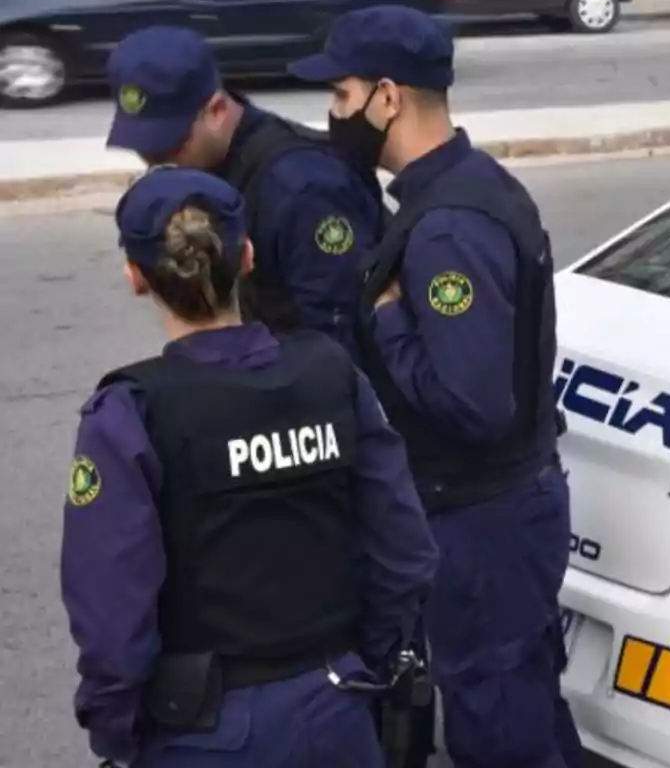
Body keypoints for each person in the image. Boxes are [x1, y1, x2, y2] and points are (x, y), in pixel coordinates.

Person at [59, 166, 440, 767]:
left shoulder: (132, 413)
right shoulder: (331, 374)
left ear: (135, 276)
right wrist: (360, 664)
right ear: (249, 254)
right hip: (335, 704)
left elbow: (112, 615)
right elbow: (404, 549)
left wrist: (117, 734)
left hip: (201, 730)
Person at [286, 5, 584, 768]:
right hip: (494, 510)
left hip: (484, 520)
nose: (333, 115)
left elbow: (476, 404)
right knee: (522, 704)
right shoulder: (464, 187)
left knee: (498, 728)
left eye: (343, 96)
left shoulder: (447, 227)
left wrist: (388, 319)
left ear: (388, 97)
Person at [102, 25, 386, 363]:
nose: (157, 163)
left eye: (170, 145)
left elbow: (340, 338)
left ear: (217, 111)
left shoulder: (300, 187)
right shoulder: (210, 170)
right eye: (143, 148)